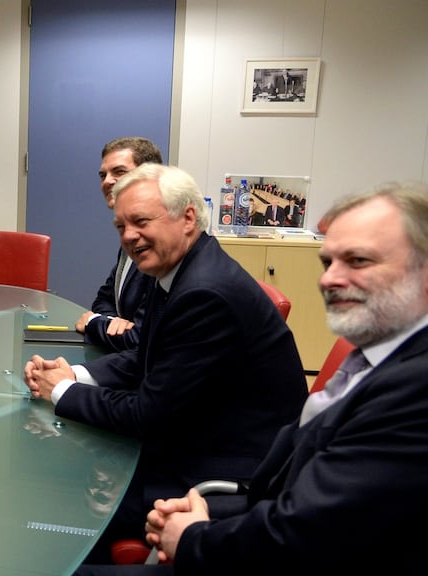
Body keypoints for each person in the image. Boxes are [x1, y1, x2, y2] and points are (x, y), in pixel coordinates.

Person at [127, 181, 428, 575]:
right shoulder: (376, 358)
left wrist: (193, 535)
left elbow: (302, 536)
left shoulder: (414, 390)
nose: (329, 280)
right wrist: (203, 512)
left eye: (357, 261)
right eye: (327, 262)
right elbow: (303, 501)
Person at [24, 164, 307, 565]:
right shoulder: (179, 269)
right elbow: (145, 356)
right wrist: (75, 374)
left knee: (63, 501)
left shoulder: (204, 292)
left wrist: (62, 393)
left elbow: (147, 415)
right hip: (196, 435)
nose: (128, 237)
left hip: (221, 471)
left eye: (140, 221)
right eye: (120, 226)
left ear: (187, 217)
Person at [75, 137, 163, 352]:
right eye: (103, 175)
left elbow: (140, 338)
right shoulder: (130, 233)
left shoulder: (159, 242)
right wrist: (113, 321)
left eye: (119, 172)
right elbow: (104, 299)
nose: (107, 181)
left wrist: (93, 323)